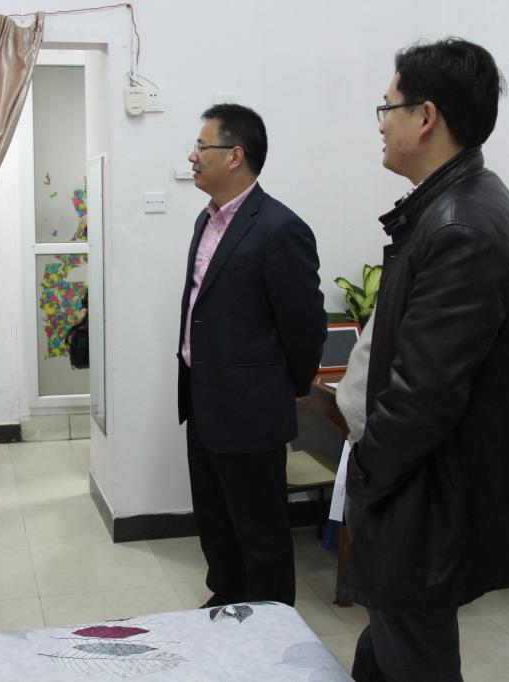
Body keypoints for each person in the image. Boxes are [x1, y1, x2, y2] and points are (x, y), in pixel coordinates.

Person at [343, 39, 509, 681]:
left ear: (426, 116)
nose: (381, 124)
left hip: (422, 500)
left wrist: (368, 471)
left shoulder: (462, 224)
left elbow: (424, 396)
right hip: (417, 492)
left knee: (415, 660)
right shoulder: (450, 205)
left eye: (388, 107)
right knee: (387, 652)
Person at [177, 104, 326, 608]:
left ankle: (271, 623)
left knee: (260, 531)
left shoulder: (280, 228)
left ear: (235, 155)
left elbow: (305, 327)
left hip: (252, 409)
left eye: (203, 146)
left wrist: (281, 390)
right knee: (216, 519)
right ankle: (227, 597)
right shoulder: (205, 221)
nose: (192, 156)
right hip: (203, 400)